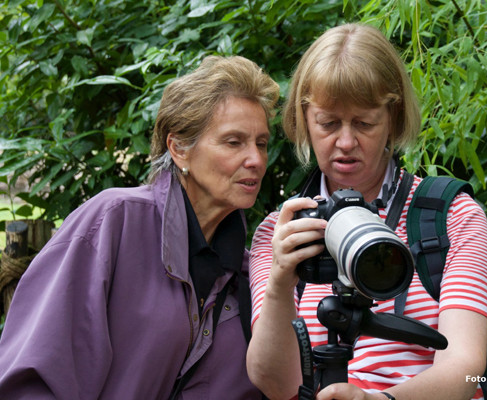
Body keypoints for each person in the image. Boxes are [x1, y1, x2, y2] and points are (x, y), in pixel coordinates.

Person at [0, 55, 279, 399]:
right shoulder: (113, 222)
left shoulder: (251, 274)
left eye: (261, 143)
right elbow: (32, 378)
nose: (255, 159)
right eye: (234, 142)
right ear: (179, 149)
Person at [247, 23, 487, 400]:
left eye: (364, 122)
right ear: (304, 120)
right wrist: (281, 279)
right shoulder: (282, 230)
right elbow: (276, 385)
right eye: (328, 123)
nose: (345, 142)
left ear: (392, 119)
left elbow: (464, 367)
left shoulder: (449, 217)